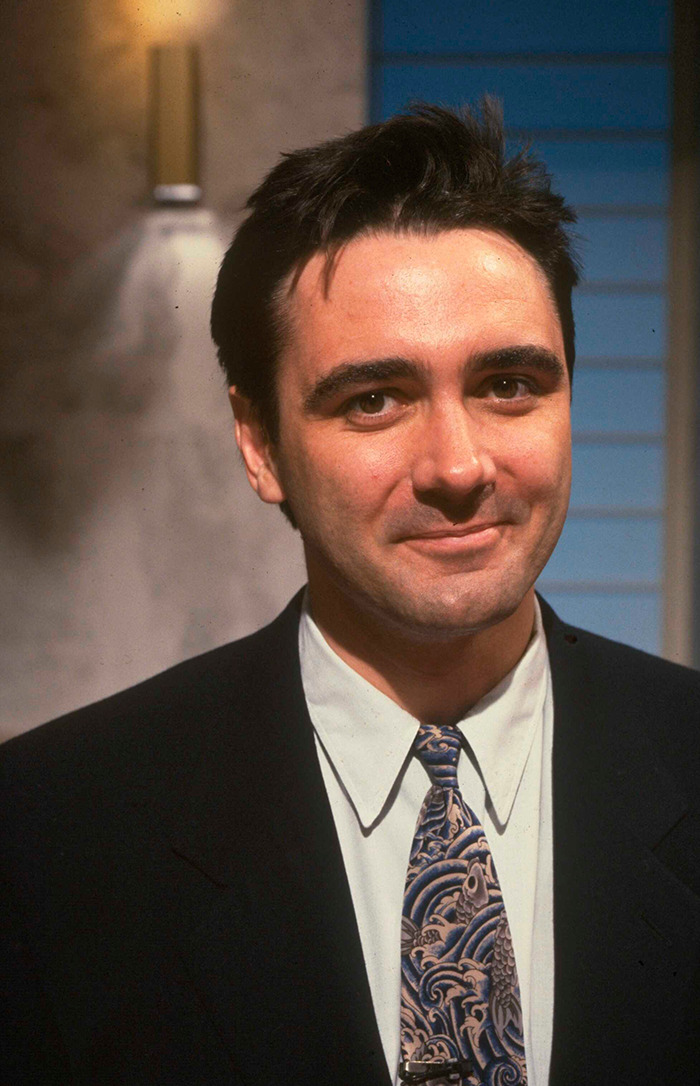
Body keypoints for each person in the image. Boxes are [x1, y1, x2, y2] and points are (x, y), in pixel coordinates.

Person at [1, 102, 698, 1086]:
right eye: (373, 400)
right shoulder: (46, 836)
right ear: (260, 443)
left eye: (507, 385)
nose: (457, 466)